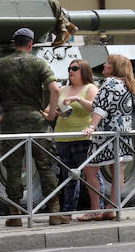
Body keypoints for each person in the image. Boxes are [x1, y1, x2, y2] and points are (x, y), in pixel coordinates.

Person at [0, 28, 66, 227]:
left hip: (11, 124)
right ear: (30, 44)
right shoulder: (38, 63)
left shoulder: (0, 65)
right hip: (37, 124)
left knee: (13, 169)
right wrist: (51, 114)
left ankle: (15, 214)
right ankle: (54, 213)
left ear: (14, 43)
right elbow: (54, 89)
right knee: (45, 167)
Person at [80, 54, 135, 221]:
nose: (104, 64)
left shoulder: (109, 84)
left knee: (89, 170)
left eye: (109, 63)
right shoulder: (128, 85)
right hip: (123, 136)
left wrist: (91, 126)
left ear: (115, 68)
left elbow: (100, 108)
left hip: (106, 136)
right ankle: (111, 208)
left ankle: (96, 210)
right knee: (117, 170)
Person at [43, 59, 104, 216]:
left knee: (91, 175)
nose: (71, 71)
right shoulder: (62, 89)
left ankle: (99, 210)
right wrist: (54, 112)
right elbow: (48, 112)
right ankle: (67, 212)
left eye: (75, 68)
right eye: (69, 68)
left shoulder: (90, 88)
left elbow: (96, 107)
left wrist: (77, 99)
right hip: (63, 138)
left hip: (83, 137)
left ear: (83, 70)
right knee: (68, 176)